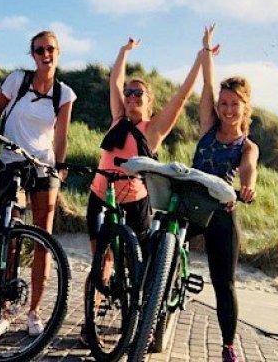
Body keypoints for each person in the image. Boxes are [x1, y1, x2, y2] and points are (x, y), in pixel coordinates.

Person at [82, 36, 202, 342]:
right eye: (129, 92)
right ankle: (92, 322)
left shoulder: (153, 129)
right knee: (101, 262)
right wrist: (123, 52)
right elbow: (114, 79)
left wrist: (201, 59)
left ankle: (135, 316)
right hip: (100, 197)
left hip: (134, 202)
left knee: (136, 265)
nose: (132, 95)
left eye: (140, 93)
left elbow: (181, 97)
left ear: (149, 101)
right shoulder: (117, 119)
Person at [0, 30, 76, 340]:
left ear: (58, 52)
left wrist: (60, 166)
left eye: (50, 49)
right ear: (32, 54)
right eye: (39, 50)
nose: (45, 54)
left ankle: (34, 311)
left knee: (42, 240)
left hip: (43, 166)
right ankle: (4, 311)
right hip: (12, 162)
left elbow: (61, 135)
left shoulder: (64, 94)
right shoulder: (17, 81)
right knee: (9, 236)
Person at [191, 24, 259, 362]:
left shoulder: (247, 145)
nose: (227, 109)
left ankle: (228, 346)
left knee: (224, 283)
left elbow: (249, 168)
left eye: (234, 105)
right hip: (190, 205)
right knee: (159, 241)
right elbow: (207, 84)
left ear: (245, 109)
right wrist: (205, 50)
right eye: (224, 104)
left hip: (220, 211)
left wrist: (248, 186)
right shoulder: (208, 126)